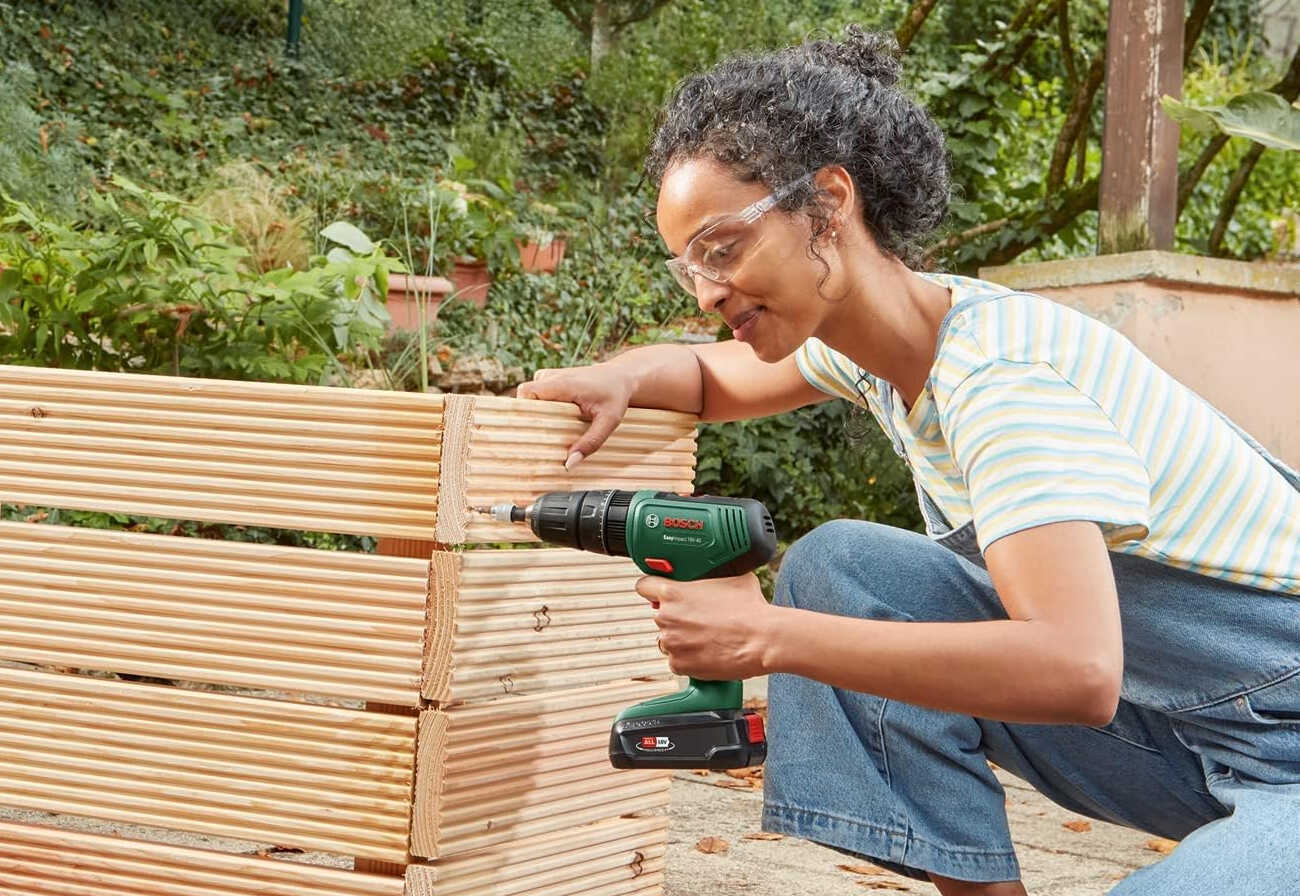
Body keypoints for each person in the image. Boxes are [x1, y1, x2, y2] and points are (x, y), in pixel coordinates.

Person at [516, 26, 1300, 896]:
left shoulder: (998, 379)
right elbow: (710, 375)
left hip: (1279, 740)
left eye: (723, 250)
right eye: (688, 268)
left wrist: (770, 637)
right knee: (843, 570)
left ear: (828, 201)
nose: (706, 292)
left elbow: (1078, 670)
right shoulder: (881, 351)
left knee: (823, 616)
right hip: (1194, 735)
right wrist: (618, 375)